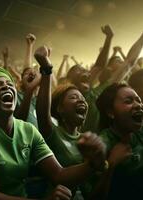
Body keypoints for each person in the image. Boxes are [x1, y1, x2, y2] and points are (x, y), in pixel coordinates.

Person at [0, 65, 106, 200]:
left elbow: (58, 174)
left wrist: (92, 164)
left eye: (10, 84)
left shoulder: (28, 130)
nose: (6, 86)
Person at [35, 44, 99, 198]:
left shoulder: (87, 140)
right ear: (60, 109)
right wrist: (46, 69)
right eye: (73, 97)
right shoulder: (53, 133)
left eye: (83, 99)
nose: (81, 101)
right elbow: (43, 112)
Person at [94, 83, 143, 199]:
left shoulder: (140, 132)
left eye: (139, 100)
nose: (138, 105)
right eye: (128, 101)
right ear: (110, 112)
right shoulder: (101, 145)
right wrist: (111, 164)